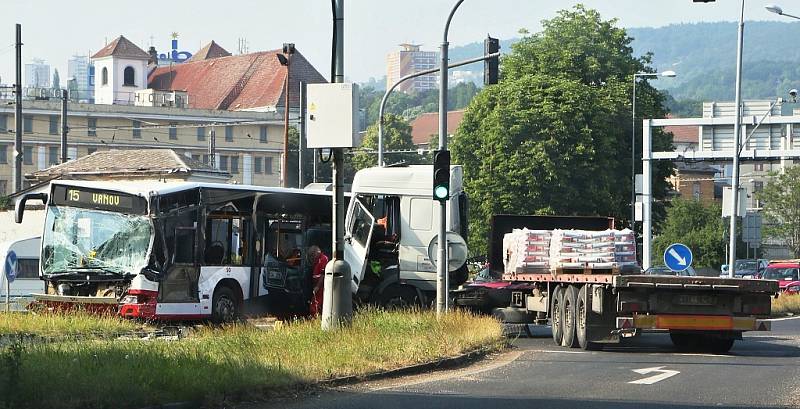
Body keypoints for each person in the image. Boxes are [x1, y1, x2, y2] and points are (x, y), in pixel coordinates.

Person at [308, 245, 329, 316]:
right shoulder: (317, 261)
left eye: (313, 255)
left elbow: (323, 274)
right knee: (314, 302)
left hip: (320, 286)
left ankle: (316, 318)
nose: (313, 257)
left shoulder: (323, 259)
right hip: (316, 286)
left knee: (317, 303)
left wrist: (317, 286)